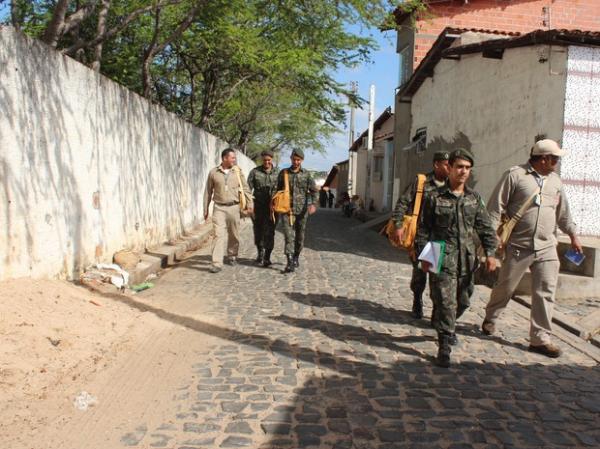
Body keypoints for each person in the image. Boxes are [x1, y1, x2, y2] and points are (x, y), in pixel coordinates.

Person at [482, 139, 581, 358]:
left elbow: (563, 214)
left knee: (545, 292)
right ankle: (491, 316)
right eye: (555, 158)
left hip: (547, 246)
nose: (557, 162)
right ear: (543, 158)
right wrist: (491, 240)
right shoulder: (515, 176)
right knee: (506, 287)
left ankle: (540, 339)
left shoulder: (556, 182)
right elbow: (494, 208)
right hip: (519, 246)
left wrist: (573, 235)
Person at [416, 148, 497, 367]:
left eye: (467, 168)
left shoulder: (473, 199)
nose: (463, 172)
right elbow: (424, 228)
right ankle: (444, 344)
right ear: (449, 168)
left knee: (463, 301)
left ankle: (442, 321)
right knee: (446, 301)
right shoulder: (434, 197)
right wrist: (424, 256)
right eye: (459, 167)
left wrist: (490, 254)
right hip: (441, 256)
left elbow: (486, 228)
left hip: (467, 261)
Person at [392, 151, 450, 320]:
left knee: (436, 276)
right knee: (420, 274)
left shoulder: (452, 184)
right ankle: (417, 299)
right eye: (446, 164)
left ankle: (435, 310)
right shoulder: (422, 181)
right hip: (421, 235)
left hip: (440, 237)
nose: (449, 167)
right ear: (436, 165)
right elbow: (403, 202)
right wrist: (398, 224)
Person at [204, 148, 253, 273]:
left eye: (235, 158)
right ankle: (216, 263)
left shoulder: (237, 172)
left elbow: (246, 189)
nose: (234, 160)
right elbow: (208, 192)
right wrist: (205, 208)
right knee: (217, 234)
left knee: (233, 234)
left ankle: (232, 255)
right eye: (232, 158)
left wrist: (250, 204)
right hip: (219, 207)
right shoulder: (213, 172)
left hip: (234, 207)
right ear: (225, 158)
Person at [274, 149, 318, 273]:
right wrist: (275, 203)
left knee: (300, 237)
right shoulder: (284, 173)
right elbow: (277, 190)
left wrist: (313, 204)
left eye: (298, 160)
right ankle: (289, 262)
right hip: (286, 209)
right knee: (288, 236)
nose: (296, 162)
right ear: (291, 159)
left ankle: (296, 257)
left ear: (302, 160)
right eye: (294, 159)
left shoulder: (307, 174)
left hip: (302, 211)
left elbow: (314, 191)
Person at [247, 150, 279, 267]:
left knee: (270, 232)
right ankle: (260, 253)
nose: (266, 162)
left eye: (269, 160)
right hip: (258, 206)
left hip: (273, 208)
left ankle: (267, 257)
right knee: (258, 230)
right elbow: (248, 189)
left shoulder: (278, 173)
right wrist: (248, 204)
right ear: (262, 159)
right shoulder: (254, 172)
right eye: (265, 160)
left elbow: (282, 189)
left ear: (272, 160)